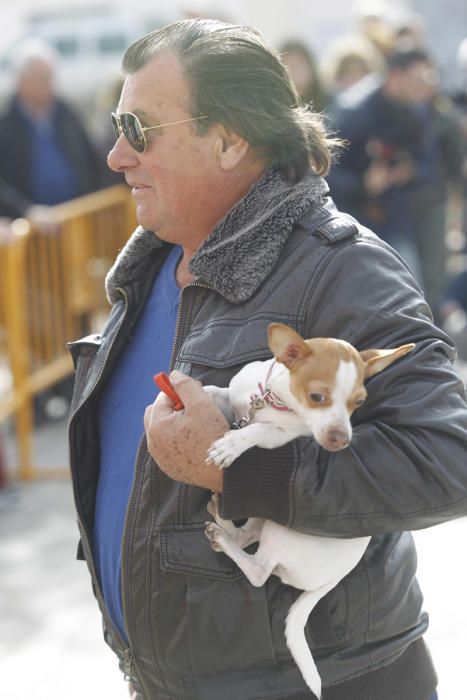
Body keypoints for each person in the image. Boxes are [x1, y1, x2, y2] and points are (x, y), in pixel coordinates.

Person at [67, 18, 467, 700]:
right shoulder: (157, 262)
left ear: (228, 140)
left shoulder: (341, 269)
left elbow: (446, 461)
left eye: (138, 129)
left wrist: (241, 467)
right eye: (116, 125)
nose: (115, 156)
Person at [327, 47, 439, 283]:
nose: (424, 86)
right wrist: (364, 185)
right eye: (418, 79)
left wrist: (410, 172)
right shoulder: (355, 112)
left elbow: (431, 164)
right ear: (395, 76)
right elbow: (324, 168)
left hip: (399, 223)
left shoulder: (418, 112)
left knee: (410, 295)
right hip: (352, 227)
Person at [0, 38, 102, 231]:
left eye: (48, 76)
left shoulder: (68, 115)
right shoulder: (5, 126)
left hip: (78, 224)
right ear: (20, 81)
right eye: (37, 77)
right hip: (28, 233)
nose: (45, 83)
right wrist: (26, 210)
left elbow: (91, 161)